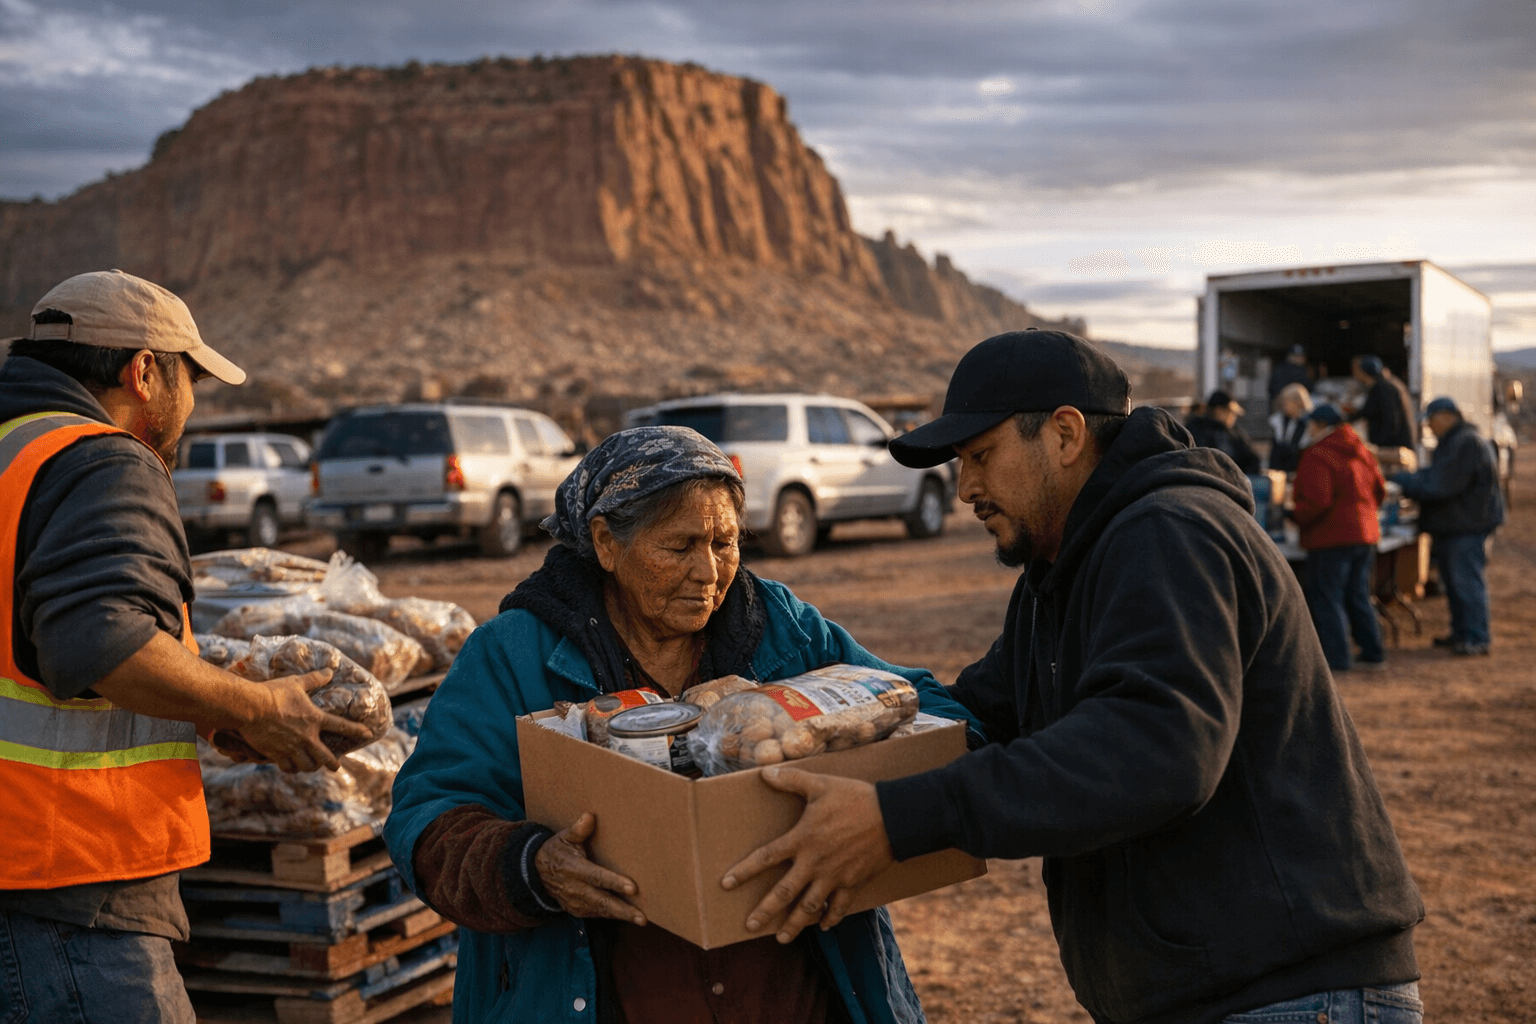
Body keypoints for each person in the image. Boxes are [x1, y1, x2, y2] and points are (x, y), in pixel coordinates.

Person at [723, 330, 1425, 1024]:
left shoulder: (1171, 533)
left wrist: (899, 819)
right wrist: (803, 730)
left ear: (1063, 434)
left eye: (981, 456)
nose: (965, 487)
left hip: (1291, 996)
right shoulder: (1056, 574)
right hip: (1213, 994)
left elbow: (1156, 748)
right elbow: (973, 716)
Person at [384, 425, 982, 1024]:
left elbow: (929, 707)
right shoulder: (512, 654)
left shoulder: (781, 627)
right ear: (606, 544)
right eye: (680, 546)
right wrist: (532, 867)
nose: (709, 571)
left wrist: (793, 713)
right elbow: (428, 815)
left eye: (725, 542)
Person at [0, 270, 375, 1024]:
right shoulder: (102, 460)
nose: (193, 405)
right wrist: (255, 703)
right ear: (144, 372)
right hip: (71, 884)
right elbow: (100, 642)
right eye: (190, 378)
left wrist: (202, 706)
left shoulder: (15, 452)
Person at [1392, 397, 1504, 656]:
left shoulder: (1464, 443)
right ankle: (1462, 633)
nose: (1429, 426)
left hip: (1466, 525)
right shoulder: (1457, 441)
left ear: (1446, 415)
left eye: (1431, 420)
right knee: (1455, 584)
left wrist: (1403, 480)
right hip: (1459, 524)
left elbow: (1439, 486)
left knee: (1466, 583)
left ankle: (1476, 638)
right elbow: (1435, 477)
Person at [1291, 403, 1387, 672]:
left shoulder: (1318, 454)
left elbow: (1316, 501)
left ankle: (1337, 657)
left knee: (1327, 597)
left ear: (1320, 425)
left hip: (1330, 537)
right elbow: (1380, 490)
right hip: (1364, 535)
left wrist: (1295, 516)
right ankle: (1373, 650)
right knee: (1358, 594)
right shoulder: (1361, 451)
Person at [1185, 389, 1262, 473]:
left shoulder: (1234, 432)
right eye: (1230, 412)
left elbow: (1251, 458)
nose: (1233, 417)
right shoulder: (1197, 429)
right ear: (1218, 410)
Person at [1350, 356, 1416, 449]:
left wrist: (1382, 444)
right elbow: (1368, 411)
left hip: (1393, 447)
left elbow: (1390, 418)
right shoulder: (1378, 387)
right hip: (1390, 445)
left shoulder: (1382, 389)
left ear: (1364, 372)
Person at [1267, 381, 1313, 473]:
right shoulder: (1278, 420)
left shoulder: (1308, 422)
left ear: (1298, 402)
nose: (1284, 406)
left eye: (1287, 402)